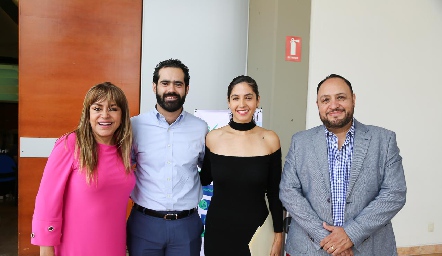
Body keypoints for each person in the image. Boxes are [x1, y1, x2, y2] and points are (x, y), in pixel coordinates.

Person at [279, 74, 407, 256]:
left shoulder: (384, 140)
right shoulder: (301, 142)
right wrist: (329, 240)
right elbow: (288, 191)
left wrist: (350, 234)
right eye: (325, 100)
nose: (334, 105)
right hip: (309, 249)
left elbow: (395, 193)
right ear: (318, 105)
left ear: (353, 99)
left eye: (341, 97)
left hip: (369, 249)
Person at [31, 82, 135, 256]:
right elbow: (47, 200)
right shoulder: (70, 144)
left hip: (113, 245)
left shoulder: (124, 150)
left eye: (113, 108)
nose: (105, 115)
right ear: (87, 114)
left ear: (122, 115)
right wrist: (46, 249)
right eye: (97, 108)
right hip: (75, 246)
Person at [127, 59, 208, 256]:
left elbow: (210, 171)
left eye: (178, 84)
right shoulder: (134, 127)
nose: (171, 89)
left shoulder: (201, 128)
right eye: (165, 83)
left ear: (186, 89)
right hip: (144, 223)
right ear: (154, 86)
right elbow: (121, 168)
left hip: (186, 226)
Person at [199, 75, 284, 256]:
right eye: (236, 98)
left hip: (257, 232)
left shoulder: (270, 139)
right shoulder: (213, 138)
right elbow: (203, 178)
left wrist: (278, 236)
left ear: (257, 100)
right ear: (229, 102)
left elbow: (275, 193)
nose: (242, 104)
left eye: (248, 97)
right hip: (218, 231)